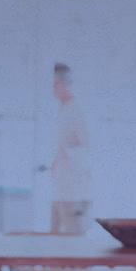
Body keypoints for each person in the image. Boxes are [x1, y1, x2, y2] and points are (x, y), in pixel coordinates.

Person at [50, 62, 92, 236]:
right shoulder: (63, 110)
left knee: (73, 237)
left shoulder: (77, 111)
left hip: (74, 190)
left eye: (54, 84)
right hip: (61, 187)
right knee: (56, 235)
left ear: (62, 84)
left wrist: (66, 156)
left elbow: (87, 146)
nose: (52, 89)